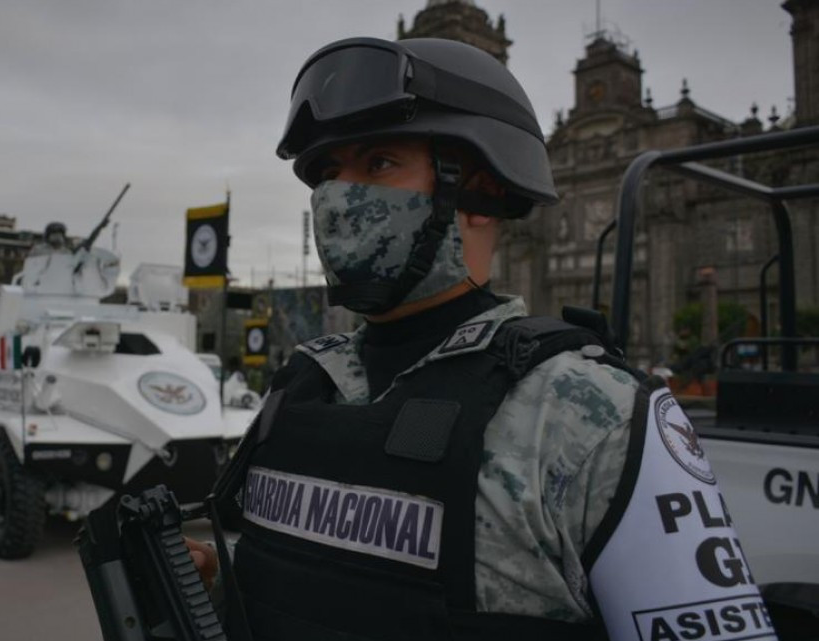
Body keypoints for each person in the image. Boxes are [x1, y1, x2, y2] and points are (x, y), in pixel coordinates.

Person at [187, 37, 775, 641]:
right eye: (328, 174)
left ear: (484, 191)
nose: (337, 197)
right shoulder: (301, 387)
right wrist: (213, 583)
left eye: (379, 163)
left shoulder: (591, 416)